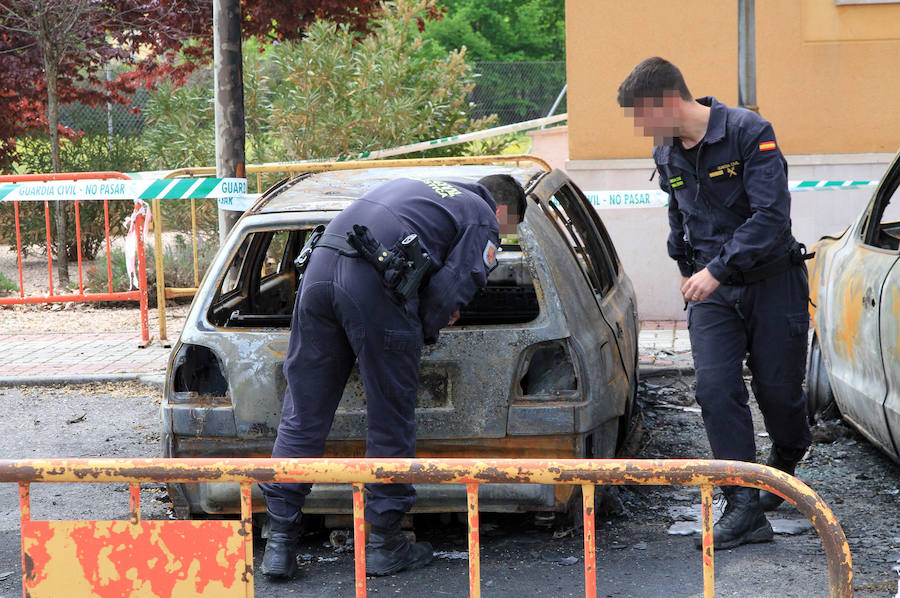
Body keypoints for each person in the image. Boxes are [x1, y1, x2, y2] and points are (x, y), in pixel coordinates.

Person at [258, 174, 526, 578]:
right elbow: (457, 282)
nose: (503, 233)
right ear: (504, 211)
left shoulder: (418, 186)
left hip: (318, 272)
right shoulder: (482, 216)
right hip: (373, 284)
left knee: (302, 416)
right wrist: (424, 328)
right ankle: (384, 544)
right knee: (390, 420)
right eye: (510, 229)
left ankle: (278, 545)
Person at [617, 57, 812, 550]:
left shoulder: (748, 131)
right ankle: (743, 504)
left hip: (772, 282)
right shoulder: (667, 152)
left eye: (642, 116)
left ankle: (787, 453)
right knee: (715, 387)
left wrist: (716, 270)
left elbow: (771, 215)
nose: (641, 129)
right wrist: (687, 264)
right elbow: (677, 211)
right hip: (712, 293)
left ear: (665, 102)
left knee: (779, 393)